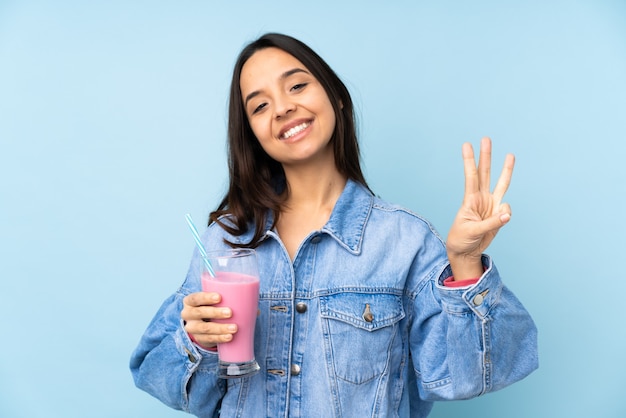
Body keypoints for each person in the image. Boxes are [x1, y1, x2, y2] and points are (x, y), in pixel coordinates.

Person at [130, 33, 538, 417]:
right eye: (259, 106)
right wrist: (198, 341)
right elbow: (159, 377)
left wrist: (466, 265)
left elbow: (466, 377)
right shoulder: (226, 240)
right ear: (253, 135)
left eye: (296, 86)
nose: (283, 108)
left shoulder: (405, 241)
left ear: (336, 98)